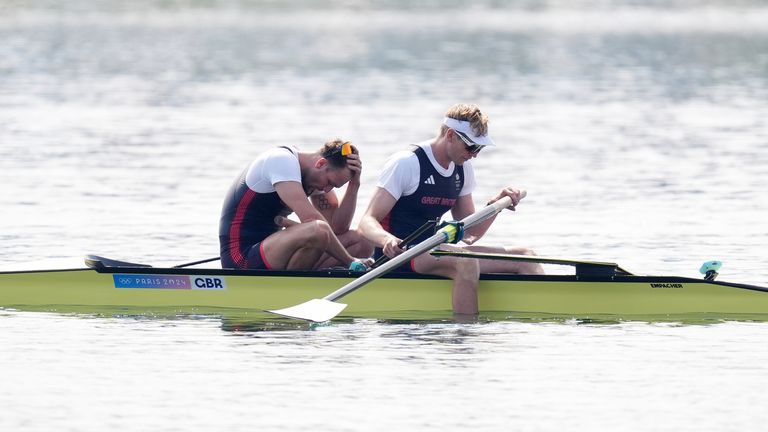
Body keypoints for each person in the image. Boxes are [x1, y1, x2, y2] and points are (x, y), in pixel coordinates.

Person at [358, 103, 544, 315]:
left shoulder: (462, 168)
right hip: (397, 255)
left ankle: (548, 323)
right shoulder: (407, 163)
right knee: (466, 263)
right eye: (471, 147)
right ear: (450, 135)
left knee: (527, 258)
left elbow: (470, 234)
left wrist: (495, 206)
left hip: (433, 251)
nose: (474, 154)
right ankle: (464, 336)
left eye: (479, 148)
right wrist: (386, 240)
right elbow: (366, 222)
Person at [219, 139, 373, 271]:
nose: (327, 190)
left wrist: (354, 185)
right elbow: (315, 223)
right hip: (241, 258)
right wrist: (351, 261)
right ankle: (294, 288)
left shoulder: (314, 176)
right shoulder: (281, 161)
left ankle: (310, 282)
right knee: (317, 230)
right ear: (321, 163)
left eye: (334, 187)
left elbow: (337, 228)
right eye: (329, 183)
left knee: (362, 241)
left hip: (274, 251)